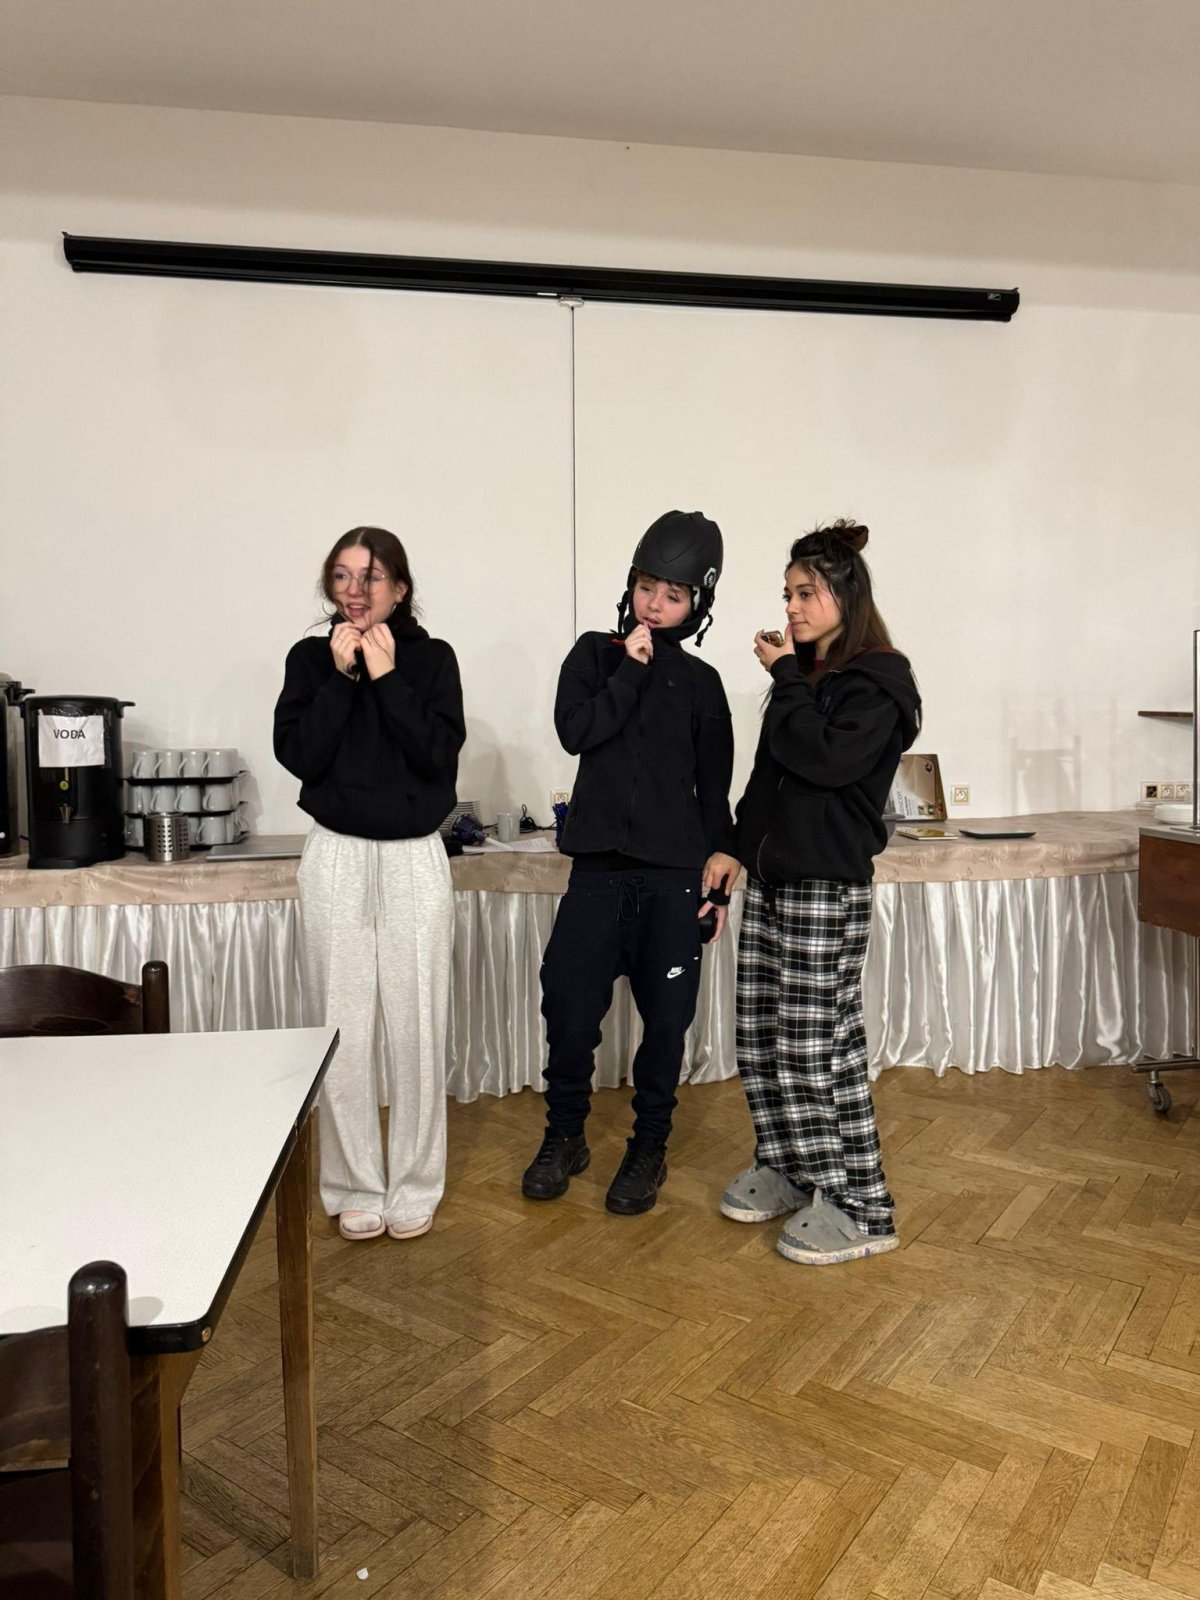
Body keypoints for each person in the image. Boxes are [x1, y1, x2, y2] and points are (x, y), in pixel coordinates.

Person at [705, 519, 921, 1264]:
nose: (791, 607)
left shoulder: (880, 680)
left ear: (845, 597)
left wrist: (786, 677)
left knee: (817, 1048)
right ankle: (791, 1167)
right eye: (788, 594)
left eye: (806, 593)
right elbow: (770, 775)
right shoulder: (807, 679)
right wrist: (735, 848)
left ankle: (862, 1205)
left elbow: (825, 759)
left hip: (826, 887)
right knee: (762, 1038)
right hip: (773, 882)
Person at [522, 510, 736, 1215]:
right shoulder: (594, 655)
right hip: (597, 874)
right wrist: (629, 671)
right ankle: (565, 1137)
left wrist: (717, 889)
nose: (655, 604)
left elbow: (714, 793)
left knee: (666, 1024)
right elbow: (576, 731)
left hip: (673, 882)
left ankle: (649, 1147)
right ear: (631, 585)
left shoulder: (703, 683)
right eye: (647, 587)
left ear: (697, 603)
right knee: (569, 1011)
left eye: (673, 595)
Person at [273, 526, 464, 1242]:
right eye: (343, 576)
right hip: (337, 854)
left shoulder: (432, 660)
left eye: (372, 576)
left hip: (414, 855)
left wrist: (385, 677)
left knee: (418, 1026)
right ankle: (353, 1183)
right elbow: (302, 755)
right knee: (344, 1029)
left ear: (400, 588)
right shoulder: (309, 658)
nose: (355, 590)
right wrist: (343, 678)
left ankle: (415, 1181)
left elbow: (436, 756)